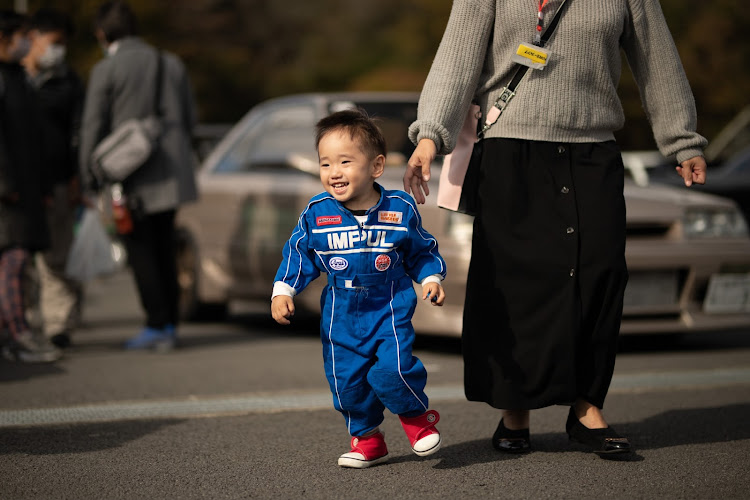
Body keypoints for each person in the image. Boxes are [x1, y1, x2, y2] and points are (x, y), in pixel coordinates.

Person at [405, 0, 707, 456]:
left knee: (599, 275)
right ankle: (515, 412)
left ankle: (588, 410)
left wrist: (682, 140)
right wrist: (430, 137)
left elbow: (656, 58)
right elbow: (456, 57)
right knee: (514, 283)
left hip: (593, 150)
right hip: (510, 151)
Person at [271, 109, 447, 469]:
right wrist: (282, 291)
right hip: (340, 308)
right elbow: (298, 254)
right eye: (325, 164)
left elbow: (421, 249)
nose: (334, 172)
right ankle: (367, 439)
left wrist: (431, 278)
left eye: (346, 162)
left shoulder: (399, 208)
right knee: (346, 380)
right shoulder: (317, 213)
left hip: (389, 302)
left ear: (376, 167)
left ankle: (416, 420)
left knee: (391, 369)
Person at [79, 1, 198, 351]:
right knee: (164, 247)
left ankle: (156, 324)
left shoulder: (107, 69)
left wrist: (88, 174)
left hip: (133, 177)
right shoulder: (170, 62)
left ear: (102, 34)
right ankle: (171, 325)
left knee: (141, 251)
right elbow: (190, 118)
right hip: (174, 175)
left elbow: (92, 126)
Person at [22, 8, 85, 349]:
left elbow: (78, 132)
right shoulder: (11, 77)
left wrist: (78, 178)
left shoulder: (69, 81)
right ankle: (21, 321)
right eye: (54, 42)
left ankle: (58, 324)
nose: (58, 50)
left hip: (59, 179)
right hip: (18, 185)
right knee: (18, 258)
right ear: (33, 36)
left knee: (56, 256)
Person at [0, 10, 61, 363]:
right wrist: (6, 184)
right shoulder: (6, 79)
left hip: (25, 185)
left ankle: (17, 334)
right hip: (10, 191)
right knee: (14, 262)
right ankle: (18, 334)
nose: (27, 42)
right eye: (22, 35)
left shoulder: (17, 76)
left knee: (17, 262)